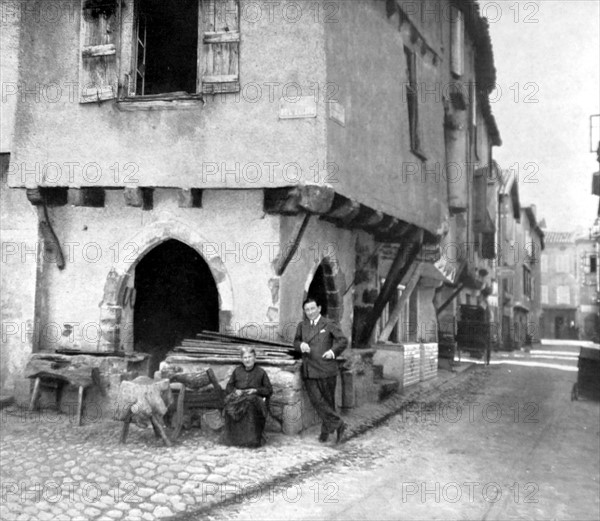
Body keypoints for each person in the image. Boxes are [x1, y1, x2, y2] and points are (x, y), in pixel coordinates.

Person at [293, 298, 348, 443]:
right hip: (309, 369)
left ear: (319, 308)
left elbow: (343, 340)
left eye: (312, 309)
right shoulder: (302, 326)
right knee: (317, 401)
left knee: (328, 402)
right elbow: (296, 342)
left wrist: (333, 352)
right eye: (307, 310)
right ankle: (339, 424)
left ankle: (326, 431)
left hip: (326, 368)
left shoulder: (329, 324)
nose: (310, 312)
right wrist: (301, 345)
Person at [221, 346, 273, 448]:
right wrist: (236, 391)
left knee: (250, 406)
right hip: (239, 398)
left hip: (254, 400)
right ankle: (235, 440)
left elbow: (269, 390)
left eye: (250, 357)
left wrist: (256, 390)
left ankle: (251, 440)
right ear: (241, 359)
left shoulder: (261, 372)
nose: (247, 360)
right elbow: (229, 387)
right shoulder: (237, 371)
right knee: (230, 408)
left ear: (255, 358)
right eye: (245, 357)